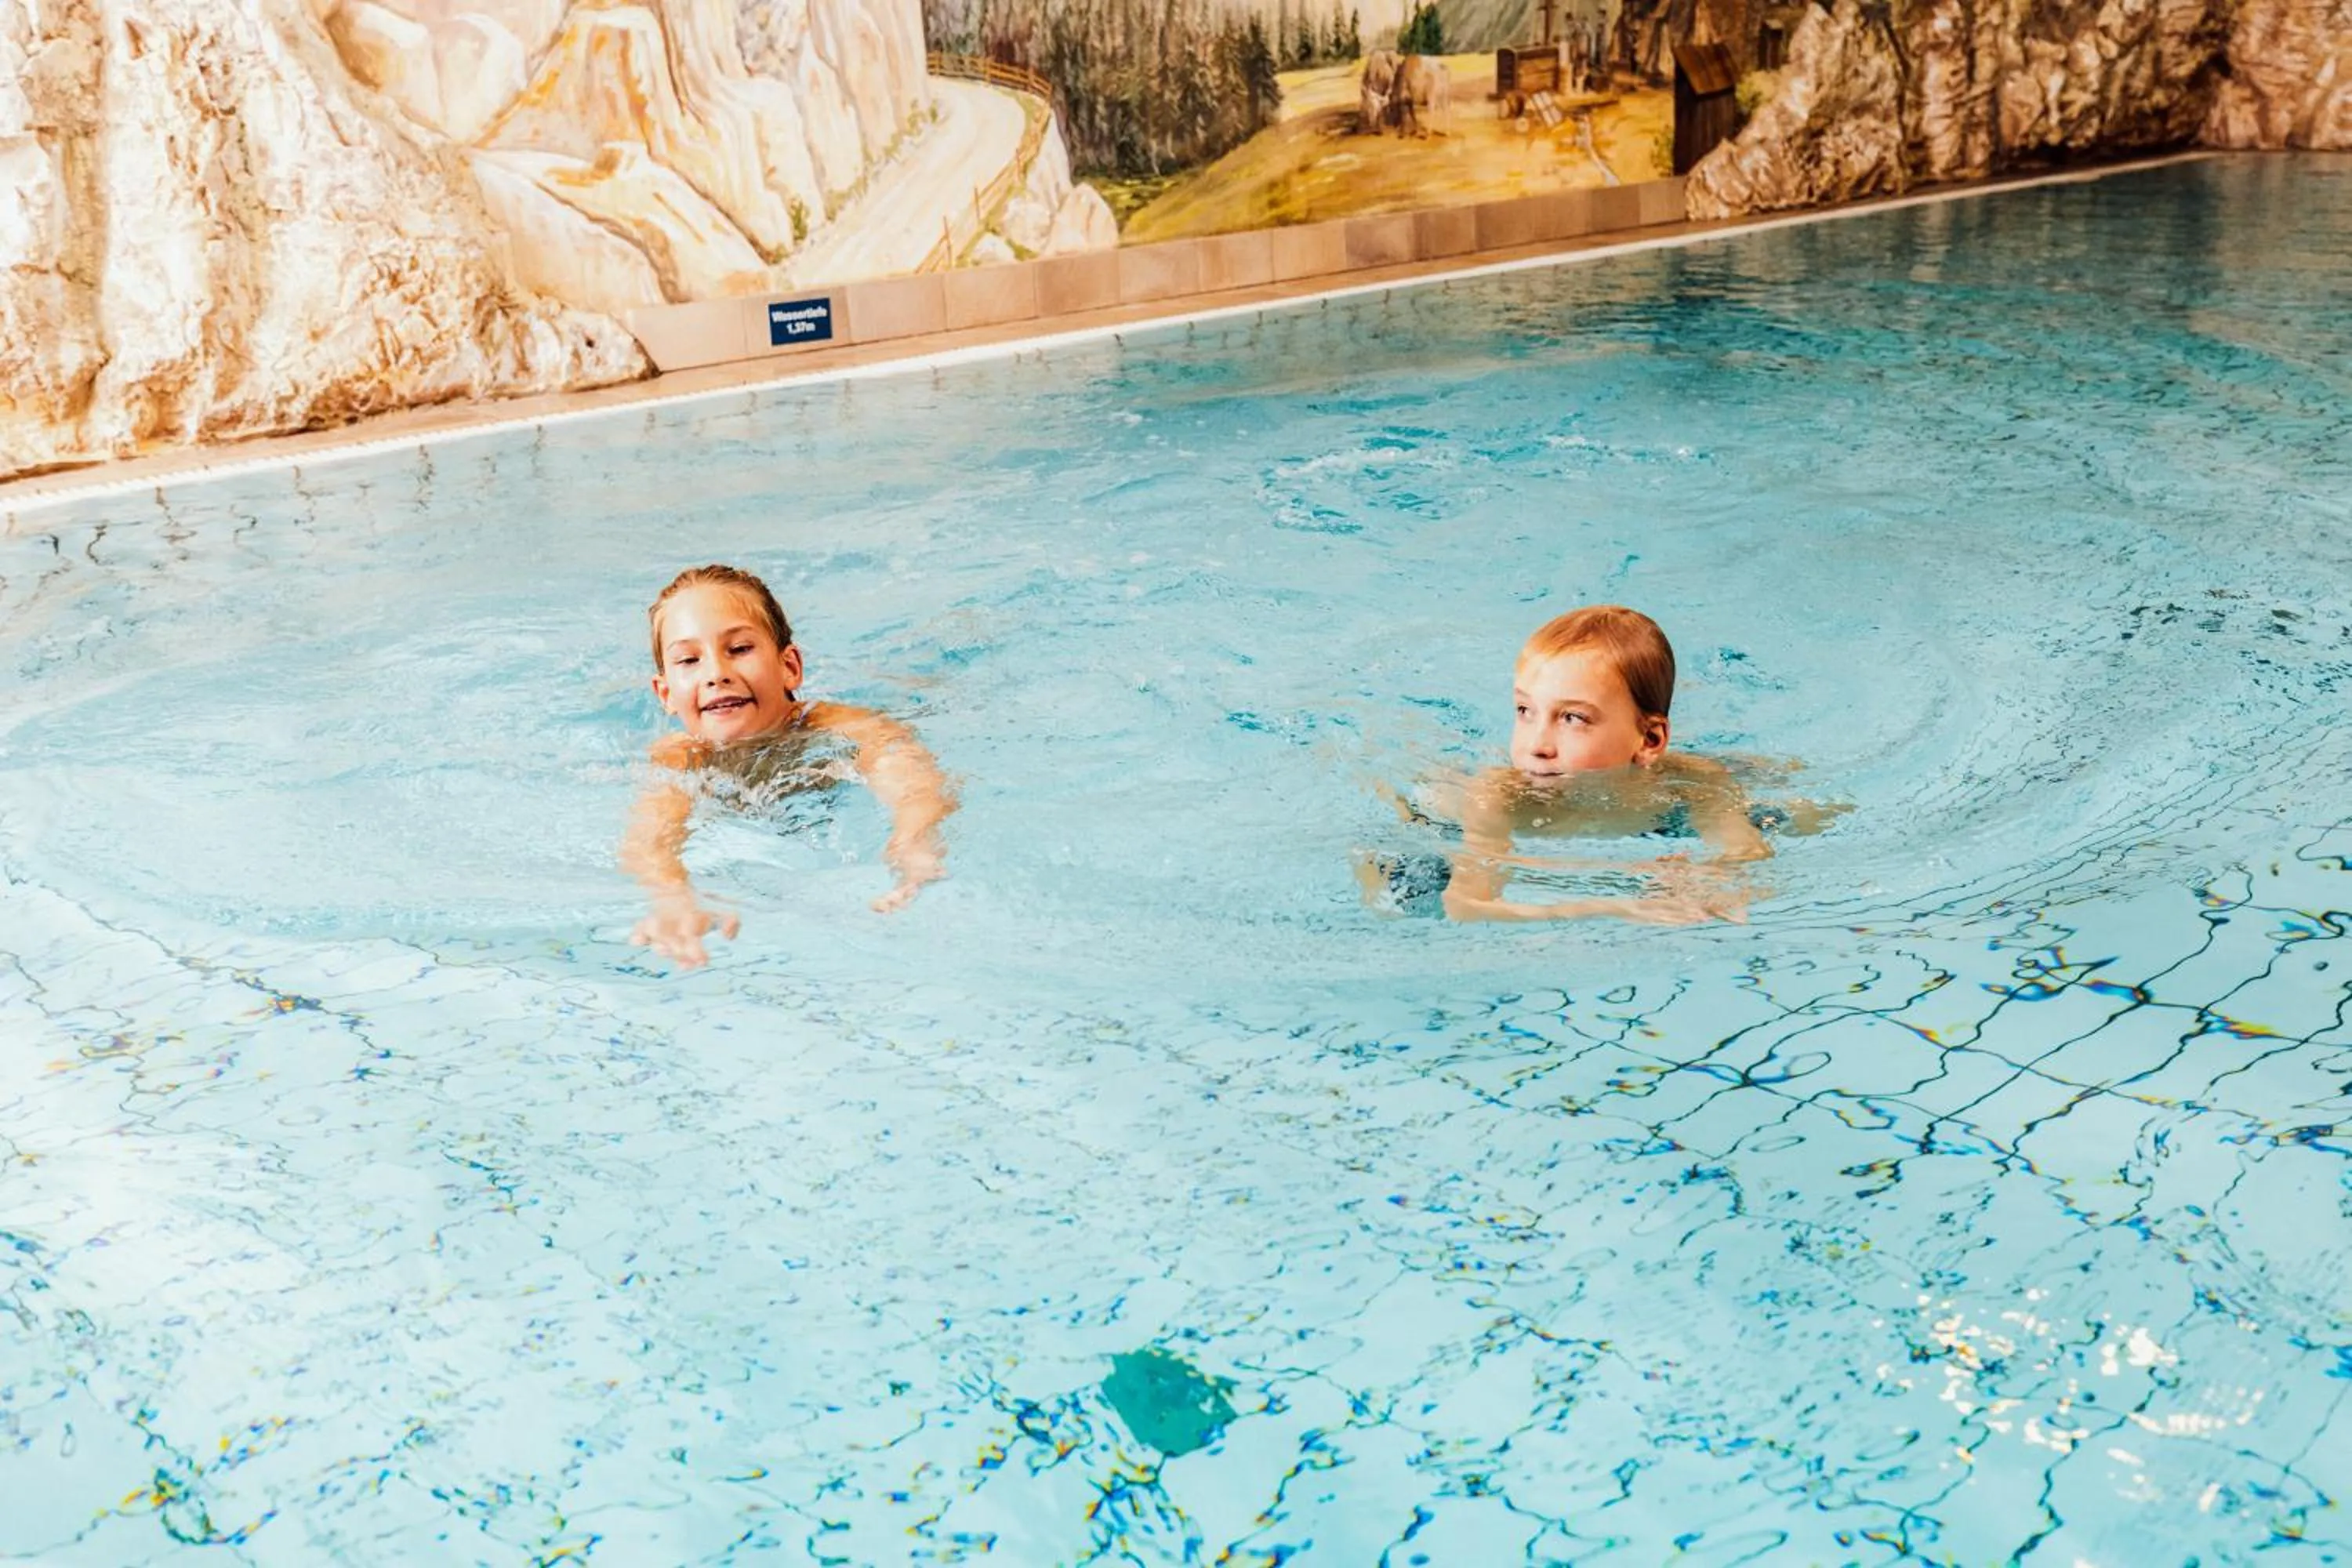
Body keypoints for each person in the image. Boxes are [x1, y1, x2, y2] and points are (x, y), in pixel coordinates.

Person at [1362, 605, 1835, 924]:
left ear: (1649, 739)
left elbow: (1749, 858)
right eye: (1524, 711)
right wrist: (1619, 907)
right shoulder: (1498, 796)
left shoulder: (1696, 785)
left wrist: (1706, 882)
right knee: (1398, 887)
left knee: (1797, 815)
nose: (1537, 745)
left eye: (1572, 718)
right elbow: (1467, 906)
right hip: (1445, 823)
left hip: (1653, 804)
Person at [621, 564, 956, 967]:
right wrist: (672, 897)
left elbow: (912, 782)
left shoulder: (839, 727)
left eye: (739, 650)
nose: (716, 674)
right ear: (666, 694)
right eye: (689, 660)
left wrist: (913, 843)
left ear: (790, 667)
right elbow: (651, 836)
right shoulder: (680, 757)